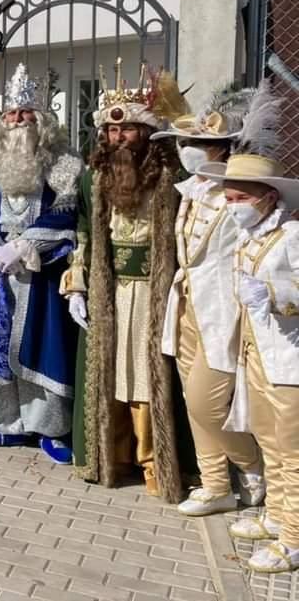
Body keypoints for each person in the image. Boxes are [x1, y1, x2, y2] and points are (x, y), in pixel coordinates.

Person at [60, 61, 187, 501]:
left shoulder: (172, 179)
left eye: (129, 130)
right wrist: (77, 284)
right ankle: (111, 458)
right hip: (109, 289)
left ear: (147, 132)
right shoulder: (92, 179)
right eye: (113, 132)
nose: (119, 138)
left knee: (147, 372)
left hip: (156, 289)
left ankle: (155, 463)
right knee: (111, 372)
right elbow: (82, 234)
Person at [0, 64, 82, 463]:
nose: (18, 119)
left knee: (44, 346)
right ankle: (5, 425)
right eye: (11, 113)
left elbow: (69, 210)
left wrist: (26, 244)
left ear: (42, 117)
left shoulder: (65, 161)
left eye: (26, 112)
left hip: (41, 272)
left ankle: (50, 428)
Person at [197, 84, 299, 572]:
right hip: (258, 357)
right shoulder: (250, 235)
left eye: (238, 197)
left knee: (292, 450)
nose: (231, 204)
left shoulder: (293, 236)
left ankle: (295, 537)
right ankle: (278, 517)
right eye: (228, 196)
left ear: (265, 198)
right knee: (270, 443)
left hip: (290, 363)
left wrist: (278, 297)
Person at [152, 86, 265, 516]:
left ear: (220, 149)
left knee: (206, 400)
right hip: (185, 307)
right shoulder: (191, 191)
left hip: (224, 312)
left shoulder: (238, 196)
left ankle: (252, 466)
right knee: (190, 399)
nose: (186, 152)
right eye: (183, 144)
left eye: (196, 144)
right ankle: (216, 485)